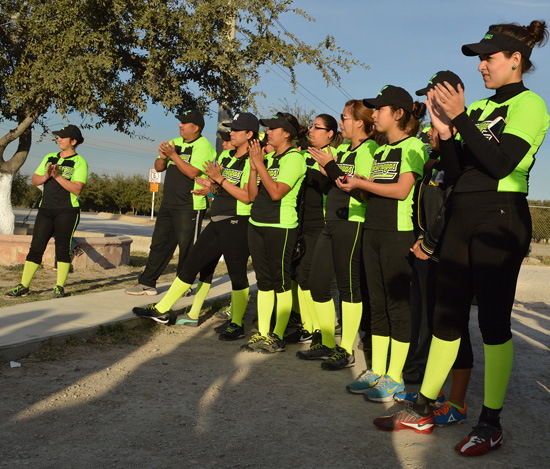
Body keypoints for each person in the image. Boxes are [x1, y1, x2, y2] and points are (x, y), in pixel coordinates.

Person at [373, 21, 549, 457]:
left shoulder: (531, 105)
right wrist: (446, 131)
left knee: (492, 324)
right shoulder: (483, 109)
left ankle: (490, 423)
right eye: (479, 60)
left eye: (487, 58)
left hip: (501, 216)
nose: (482, 67)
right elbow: (455, 172)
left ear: (515, 60)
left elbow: (500, 163)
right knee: (446, 318)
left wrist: (462, 119)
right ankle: (424, 407)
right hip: (462, 214)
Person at [394, 71, 473, 428]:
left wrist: (431, 242)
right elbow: (425, 207)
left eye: (435, 97)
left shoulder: (464, 149)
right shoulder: (434, 160)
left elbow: (454, 206)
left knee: (456, 328)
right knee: (437, 324)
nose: (429, 108)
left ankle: (456, 402)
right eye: (427, 98)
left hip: (449, 251)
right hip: (429, 250)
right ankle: (435, 392)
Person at [339, 86, 428, 400]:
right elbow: (371, 191)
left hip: (396, 233)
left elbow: (403, 190)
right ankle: (377, 371)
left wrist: (362, 182)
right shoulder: (378, 151)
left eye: (379, 109)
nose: (374, 114)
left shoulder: (414, 147)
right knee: (376, 305)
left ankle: (395, 377)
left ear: (398, 113)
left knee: (397, 307)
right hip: (372, 230)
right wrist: (354, 186)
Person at [132, 113, 258, 334]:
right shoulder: (227, 157)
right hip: (218, 219)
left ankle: (236, 323)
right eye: (232, 129)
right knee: (192, 265)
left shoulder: (253, 161)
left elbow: (247, 196)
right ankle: (161, 309)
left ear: (249, 134)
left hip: (238, 221)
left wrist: (219, 180)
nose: (231, 134)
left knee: (237, 273)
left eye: (236, 131)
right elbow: (221, 188)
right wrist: (210, 189)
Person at [304, 100, 379, 369]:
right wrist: (326, 170)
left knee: (349, 288)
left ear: (359, 122)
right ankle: (326, 341)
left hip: (353, 221)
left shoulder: (370, 149)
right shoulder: (344, 149)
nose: (342, 122)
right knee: (317, 282)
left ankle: (346, 350)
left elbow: (361, 190)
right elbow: (334, 185)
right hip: (331, 222)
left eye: (345, 117)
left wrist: (331, 167)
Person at [125, 110, 216, 296]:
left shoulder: (204, 146)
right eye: (180, 122)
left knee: (187, 249)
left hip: (190, 205)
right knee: (159, 244)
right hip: (169, 203)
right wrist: (163, 157)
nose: (180, 126)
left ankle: (183, 286)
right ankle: (147, 282)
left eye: (184, 123)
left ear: (195, 128)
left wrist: (174, 155)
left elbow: (192, 173)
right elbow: (159, 168)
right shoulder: (175, 142)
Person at [241, 112, 307, 353]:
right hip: (257, 223)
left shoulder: (294, 158)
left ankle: (277, 335)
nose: (267, 132)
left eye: (272, 128)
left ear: (286, 133)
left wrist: (259, 164)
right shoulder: (267, 159)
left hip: (281, 227)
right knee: (264, 282)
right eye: (266, 128)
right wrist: (253, 167)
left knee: (281, 283)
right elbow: (252, 195)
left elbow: (277, 192)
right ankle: (262, 333)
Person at [7, 124, 88, 298]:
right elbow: (34, 180)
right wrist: (46, 176)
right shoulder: (49, 157)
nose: (59, 139)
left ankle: (59, 287)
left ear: (73, 141)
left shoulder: (80, 162)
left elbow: (77, 189)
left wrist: (58, 177)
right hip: (45, 210)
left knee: (63, 248)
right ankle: (24, 285)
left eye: (63, 137)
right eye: (58, 136)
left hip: (67, 211)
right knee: (36, 247)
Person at [290, 114, 342, 345]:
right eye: (311, 126)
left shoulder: (335, 156)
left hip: (321, 224)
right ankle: (308, 327)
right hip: (301, 223)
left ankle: (323, 330)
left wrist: (325, 169)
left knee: (313, 280)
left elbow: (331, 189)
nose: (311, 130)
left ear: (330, 134)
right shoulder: (303, 154)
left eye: (317, 127)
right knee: (301, 277)